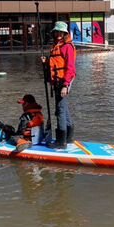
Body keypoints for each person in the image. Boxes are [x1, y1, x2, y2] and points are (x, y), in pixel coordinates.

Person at [42, 21, 76, 150]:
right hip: (57, 82)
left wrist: (65, 85)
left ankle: (61, 142)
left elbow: (70, 68)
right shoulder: (56, 46)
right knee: (63, 108)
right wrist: (46, 62)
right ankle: (69, 138)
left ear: (65, 33)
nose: (58, 34)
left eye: (61, 32)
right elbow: (55, 63)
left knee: (60, 110)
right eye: (57, 32)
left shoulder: (67, 47)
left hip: (64, 82)